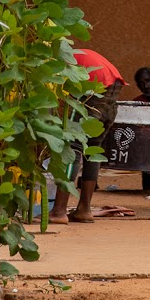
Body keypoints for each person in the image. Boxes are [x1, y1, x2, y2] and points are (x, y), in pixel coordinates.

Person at [49, 48, 125, 225]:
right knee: (92, 148)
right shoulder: (75, 55)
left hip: (94, 91)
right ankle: (84, 210)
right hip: (112, 94)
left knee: (72, 146)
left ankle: (59, 211)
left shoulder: (59, 60)